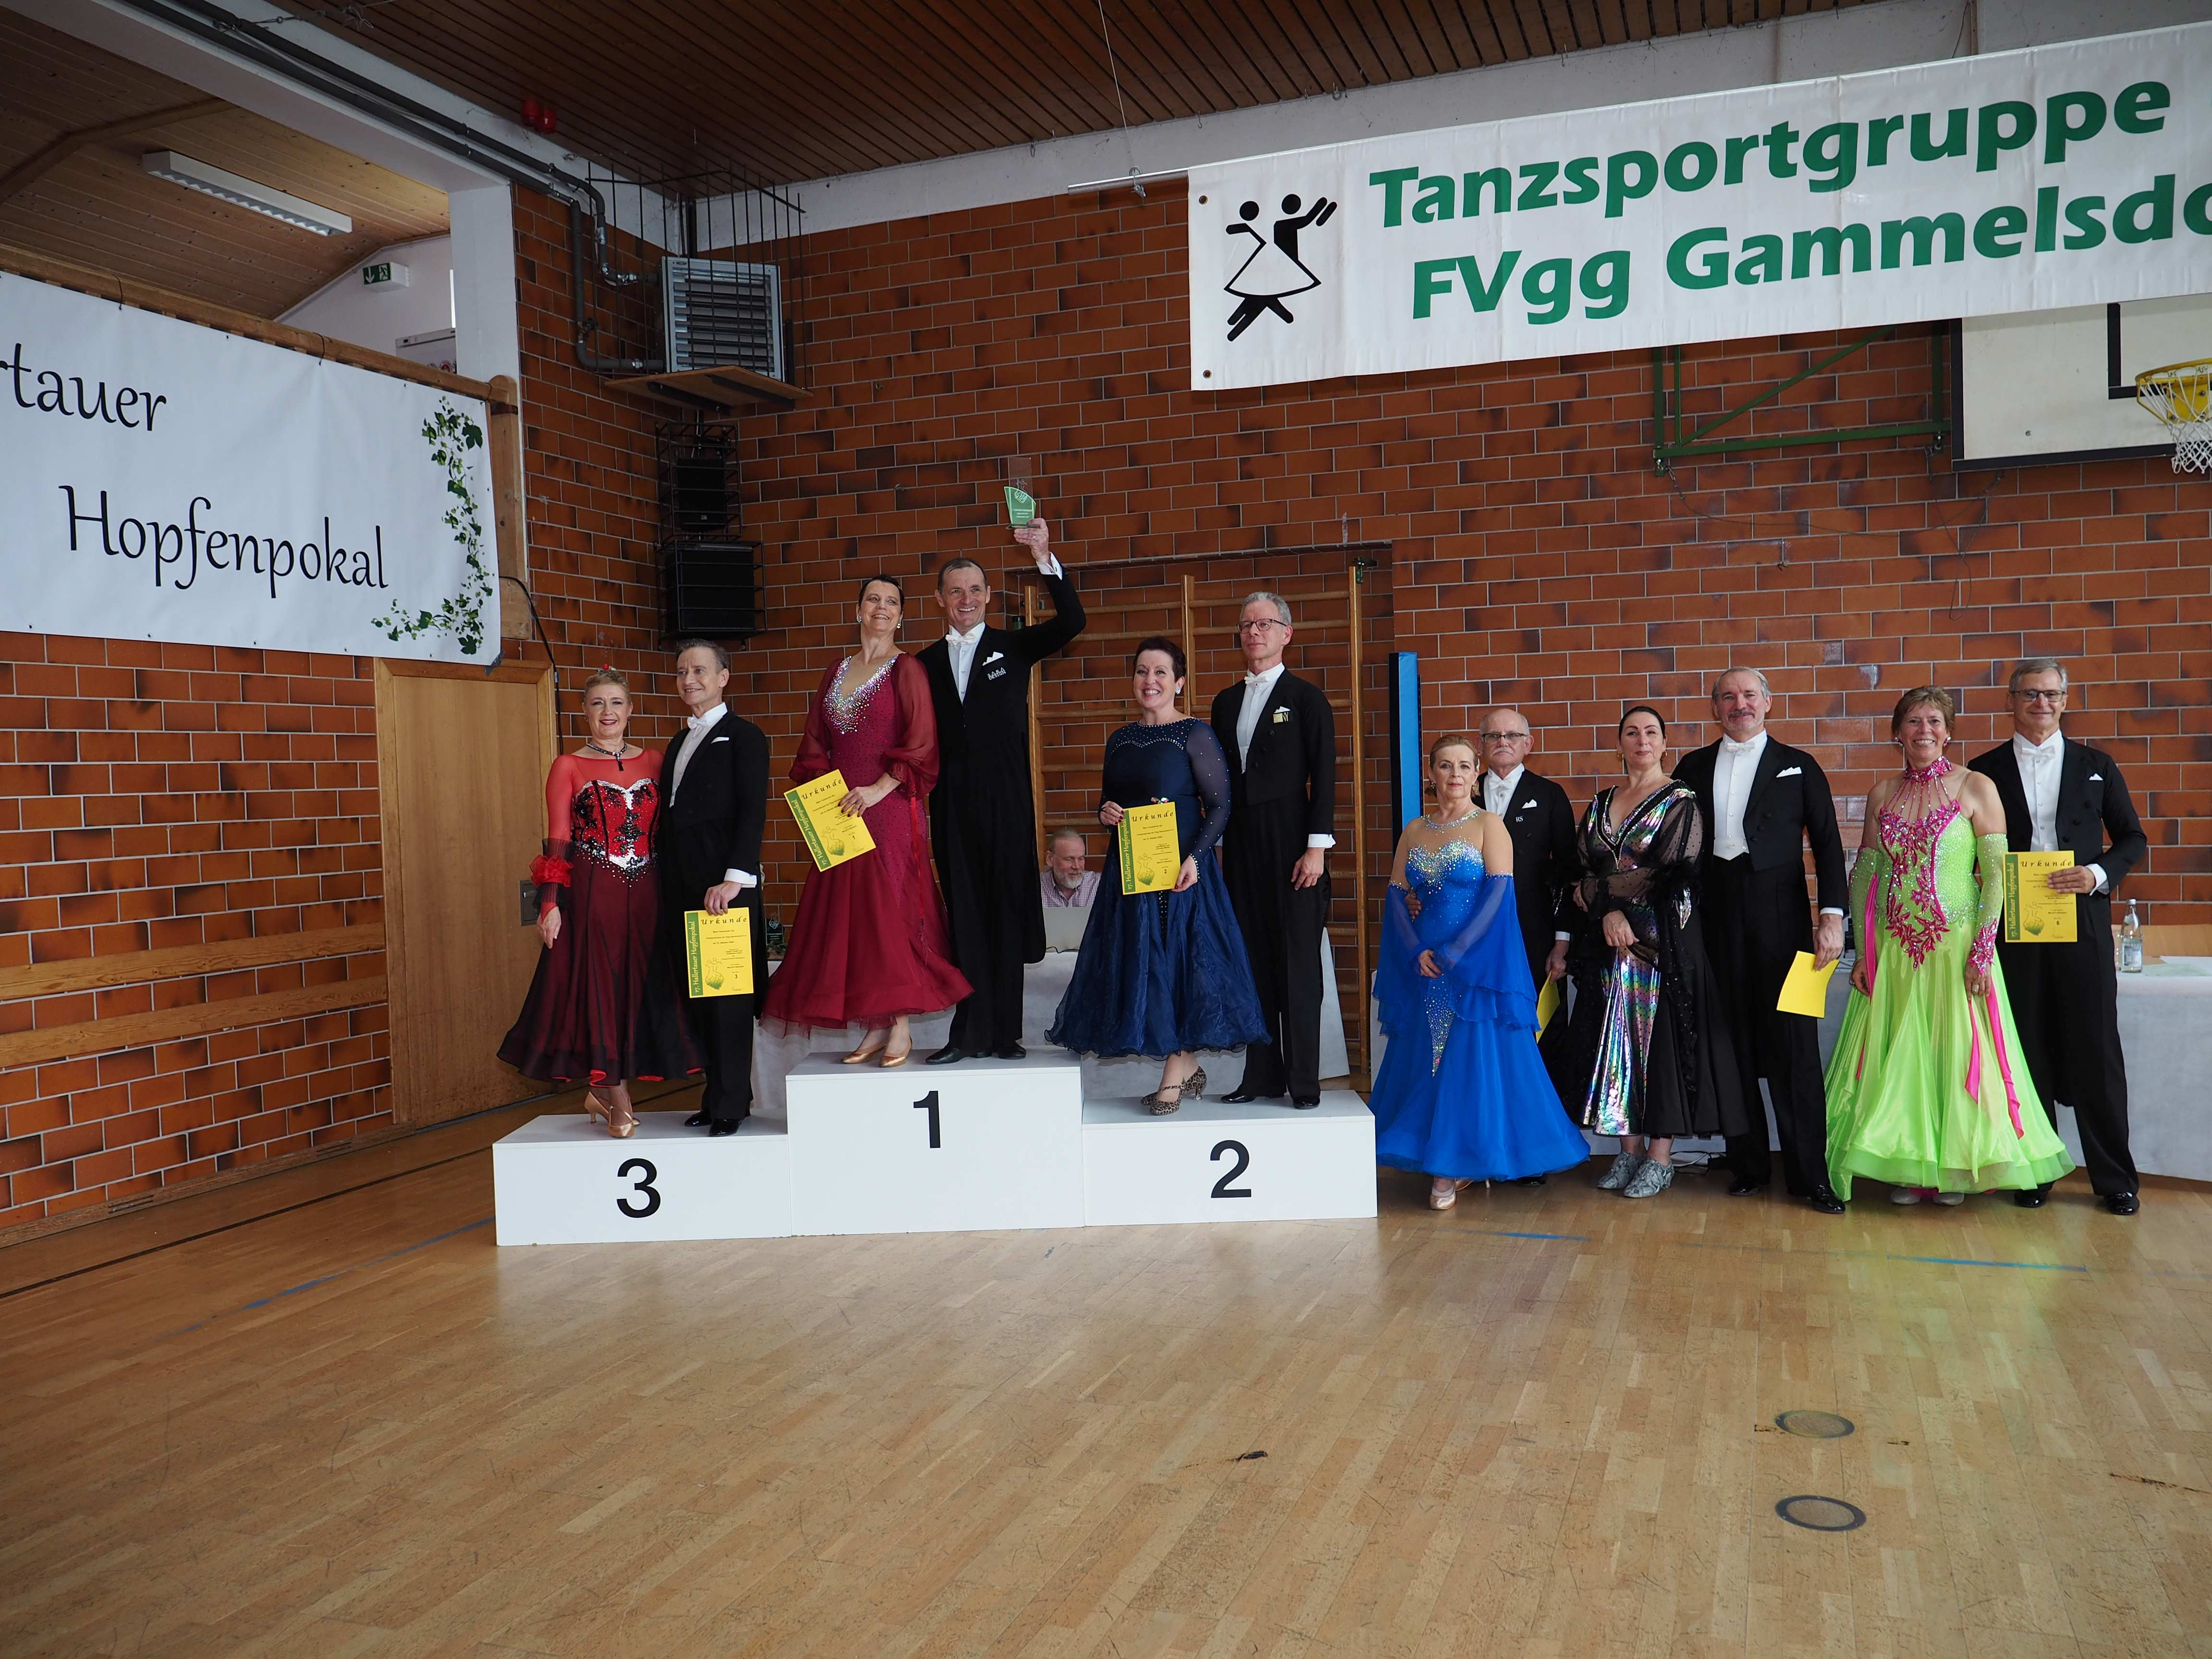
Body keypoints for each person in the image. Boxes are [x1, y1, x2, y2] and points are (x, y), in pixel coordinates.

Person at [1826, 687, 2074, 1204]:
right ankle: (1909, 1168)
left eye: (1934, 721)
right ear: (1898, 733)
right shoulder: (1881, 793)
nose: (1924, 731)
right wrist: (1865, 950)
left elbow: (1997, 878)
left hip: (1956, 944)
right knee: (1903, 1058)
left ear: (1949, 731)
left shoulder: (1976, 786)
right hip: (1895, 947)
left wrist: (1982, 950)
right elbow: (1866, 874)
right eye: (1914, 722)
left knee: (1954, 1050)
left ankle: (1955, 1166)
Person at [1372, 734, 1594, 1210]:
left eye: (1463, 766)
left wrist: (1456, 953)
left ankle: (1452, 1166)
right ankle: (1437, 1154)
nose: (1454, 774)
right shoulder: (1414, 830)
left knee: (1467, 1064)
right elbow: (1394, 894)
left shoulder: (1489, 824)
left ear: (1477, 774)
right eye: (1445, 766)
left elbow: (1498, 895)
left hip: (1474, 964)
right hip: (1425, 965)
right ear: (1431, 774)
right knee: (1428, 1061)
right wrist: (1415, 950)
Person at [1050, 637, 1267, 1113]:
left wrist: (1196, 859)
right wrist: (1105, 813)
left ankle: (1176, 1067)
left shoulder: (1195, 734)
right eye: (1142, 671)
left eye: (1161, 673)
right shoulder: (1120, 740)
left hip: (1180, 876)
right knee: (1143, 969)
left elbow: (1221, 806)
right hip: (1132, 876)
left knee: (1178, 969)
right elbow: (1109, 802)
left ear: (1179, 682)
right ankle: (1185, 1065)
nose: (1150, 681)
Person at [760, 575, 970, 1064]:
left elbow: (923, 742)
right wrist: (822, 796)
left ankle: (901, 1025)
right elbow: (814, 742)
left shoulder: (907, 669)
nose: (882, 607)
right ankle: (876, 1025)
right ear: (858, 610)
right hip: (840, 812)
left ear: (902, 615)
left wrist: (876, 790)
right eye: (873, 599)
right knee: (853, 920)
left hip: (888, 808)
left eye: (891, 602)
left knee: (889, 912)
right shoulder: (836, 671)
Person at [1969, 659, 2147, 1214]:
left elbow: (2133, 839)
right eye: (2029, 694)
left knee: (2096, 1048)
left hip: (2082, 923)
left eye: (2051, 694)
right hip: (2012, 926)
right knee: (2026, 1048)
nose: (2041, 704)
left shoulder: (2098, 765)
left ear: (2065, 701)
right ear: (2010, 701)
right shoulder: (1982, 770)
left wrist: (2096, 874)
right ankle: (2036, 1172)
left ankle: (2116, 1180)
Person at [1673, 668, 1850, 1214]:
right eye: (1728, 697)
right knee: (1730, 1046)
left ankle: (1810, 1174)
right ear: (1715, 709)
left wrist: (1833, 918)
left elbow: (1828, 844)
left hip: (1782, 920)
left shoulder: (1799, 764)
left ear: (1768, 703)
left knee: (1794, 1047)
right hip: (1715, 917)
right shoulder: (1691, 767)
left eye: (1749, 695)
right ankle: (1747, 1164)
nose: (1740, 704)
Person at [499, 668, 699, 1135]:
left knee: (641, 987)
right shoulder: (567, 766)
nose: (607, 712)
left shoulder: (656, 760)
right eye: (597, 703)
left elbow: (675, 831)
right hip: (593, 893)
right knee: (600, 988)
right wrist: (549, 903)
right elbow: (558, 839)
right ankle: (616, 1092)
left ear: (630, 710)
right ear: (585, 712)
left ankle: (604, 1092)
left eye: (616, 703)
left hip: (649, 893)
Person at [917, 518, 1086, 1065]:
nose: (965, 599)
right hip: (951, 804)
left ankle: (1005, 1034)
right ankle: (966, 1033)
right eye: (955, 591)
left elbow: (1074, 621)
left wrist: (1044, 556)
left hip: (1008, 802)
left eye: (974, 589)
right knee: (965, 917)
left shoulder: (1014, 646)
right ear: (940, 599)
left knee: (1006, 912)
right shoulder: (921, 665)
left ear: (988, 596)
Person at [1564, 705, 1749, 1199]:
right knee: (1616, 1045)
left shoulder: (1680, 800)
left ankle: (1660, 1158)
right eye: (1632, 732)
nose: (1642, 740)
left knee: (1661, 1047)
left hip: (1661, 944)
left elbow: (1671, 871)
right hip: (1609, 947)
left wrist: (1606, 901)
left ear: (1665, 744)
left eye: (1651, 733)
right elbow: (1580, 870)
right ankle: (1628, 1152)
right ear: (1619, 744)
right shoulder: (1600, 802)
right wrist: (1607, 913)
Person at [1209, 591, 1337, 1109]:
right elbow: (1217, 782)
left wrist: (1316, 848)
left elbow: (1324, 777)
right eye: (1246, 625)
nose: (1254, 633)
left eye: (1264, 624)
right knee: (1252, 964)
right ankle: (1261, 1075)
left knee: (1298, 967)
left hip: (1294, 844)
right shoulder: (1224, 702)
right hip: (1241, 845)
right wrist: (1218, 845)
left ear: (1287, 633)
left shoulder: (1307, 699)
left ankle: (1304, 1082)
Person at [655, 639, 771, 1136]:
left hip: (725, 888)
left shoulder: (745, 737)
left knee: (728, 999)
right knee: (698, 996)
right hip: (682, 885)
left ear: (723, 677)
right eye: (683, 672)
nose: (690, 680)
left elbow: (752, 811)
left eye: (700, 670)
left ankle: (731, 1104)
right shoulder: (677, 742)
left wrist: (733, 880)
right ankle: (717, 1094)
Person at [1474, 706, 1583, 1131]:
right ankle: (1489, 1129)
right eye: (1493, 736)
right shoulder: (1464, 792)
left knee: (1541, 1032)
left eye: (1512, 736)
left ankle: (1542, 1136)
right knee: (1484, 1032)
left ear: (1528, 745)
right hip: (1473, 941)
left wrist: (1563, 941)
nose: (1503, 742)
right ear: (1481, 745)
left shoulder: (1550, 795)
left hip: (1535, 937)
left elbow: (1570, 873)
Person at [1040, 829, 1100, 908]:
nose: (1077, 866)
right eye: (1069, 859)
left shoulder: (1099, 885)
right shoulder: (1036, 887)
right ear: (1050, 859)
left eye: (1081, 859)